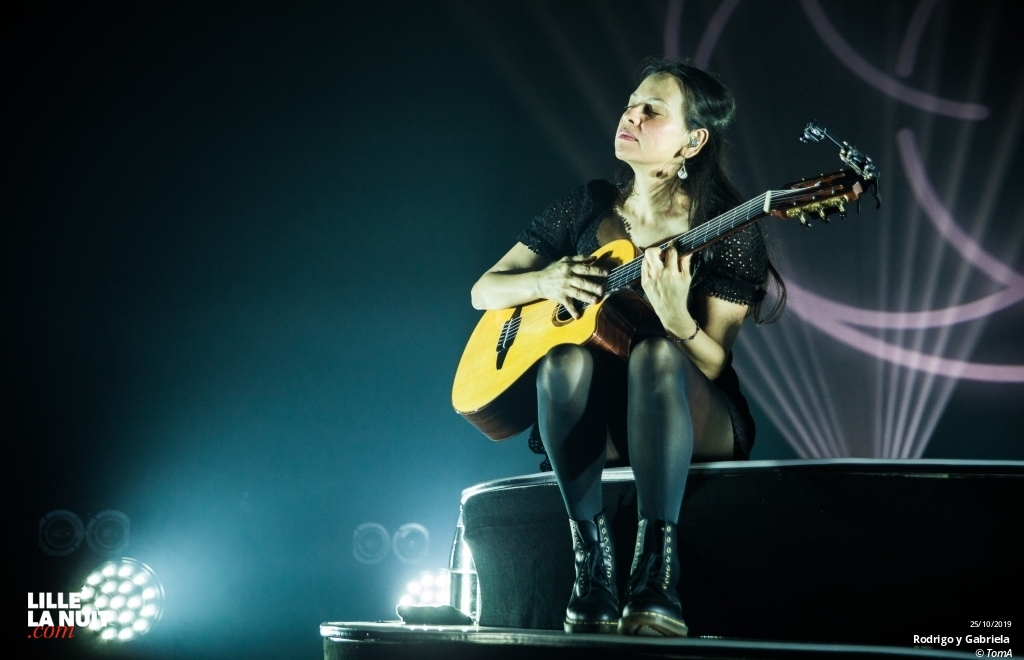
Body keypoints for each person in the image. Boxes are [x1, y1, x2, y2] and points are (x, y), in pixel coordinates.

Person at [470, 59, 784, 637]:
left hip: (692, 411)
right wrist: (546, 282)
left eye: (652, 111)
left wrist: (674, 319)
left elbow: (716, 361)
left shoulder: (727, 229)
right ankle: (591, 566)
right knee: (562, 361)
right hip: (605, 418)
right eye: (632, 103)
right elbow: (483, 290)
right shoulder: (588, 206)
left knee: (657, 356)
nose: (631, 116)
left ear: (693, 141)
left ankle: (657, 574)